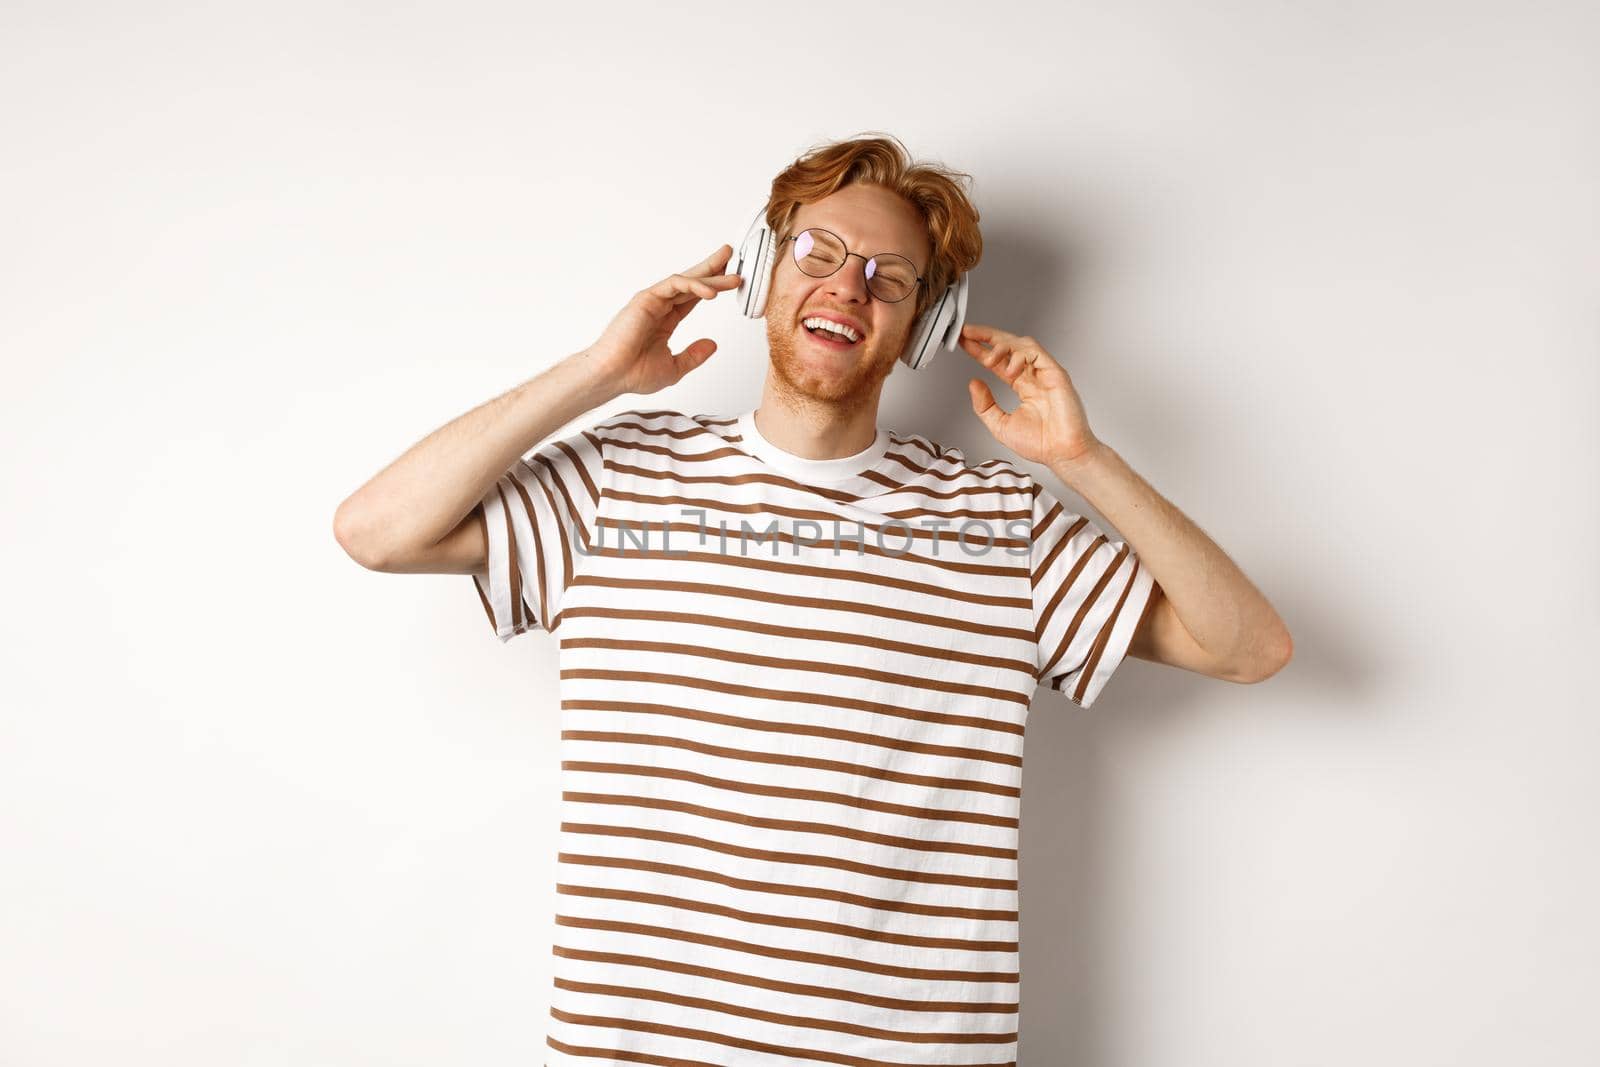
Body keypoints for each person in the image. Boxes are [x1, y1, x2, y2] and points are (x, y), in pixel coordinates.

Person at [333, 133, 1292, 1065]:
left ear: (928, 322)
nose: (848, 287)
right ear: (759, 272)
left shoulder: (999, 521)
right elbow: (377, 530)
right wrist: (601, 373)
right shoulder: (615, 481)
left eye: (892, 276)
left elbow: (1248, 646)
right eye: (818, 252)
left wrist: (1084, 461)